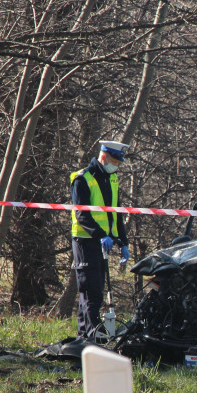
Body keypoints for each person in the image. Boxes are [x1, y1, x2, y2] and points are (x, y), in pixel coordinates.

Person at [70, 140, 130, 338]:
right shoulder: (83, 179)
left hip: (103, 243)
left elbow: (116, 214)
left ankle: (85, 333)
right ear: (103, 156)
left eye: (119, 163)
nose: (116, 166)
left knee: (95, 289)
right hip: (85, 241)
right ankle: (94, 333)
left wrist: (123, 242)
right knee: (90, 290)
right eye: (115, 161)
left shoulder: (111, 179)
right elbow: (82, 215)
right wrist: (101, 235)